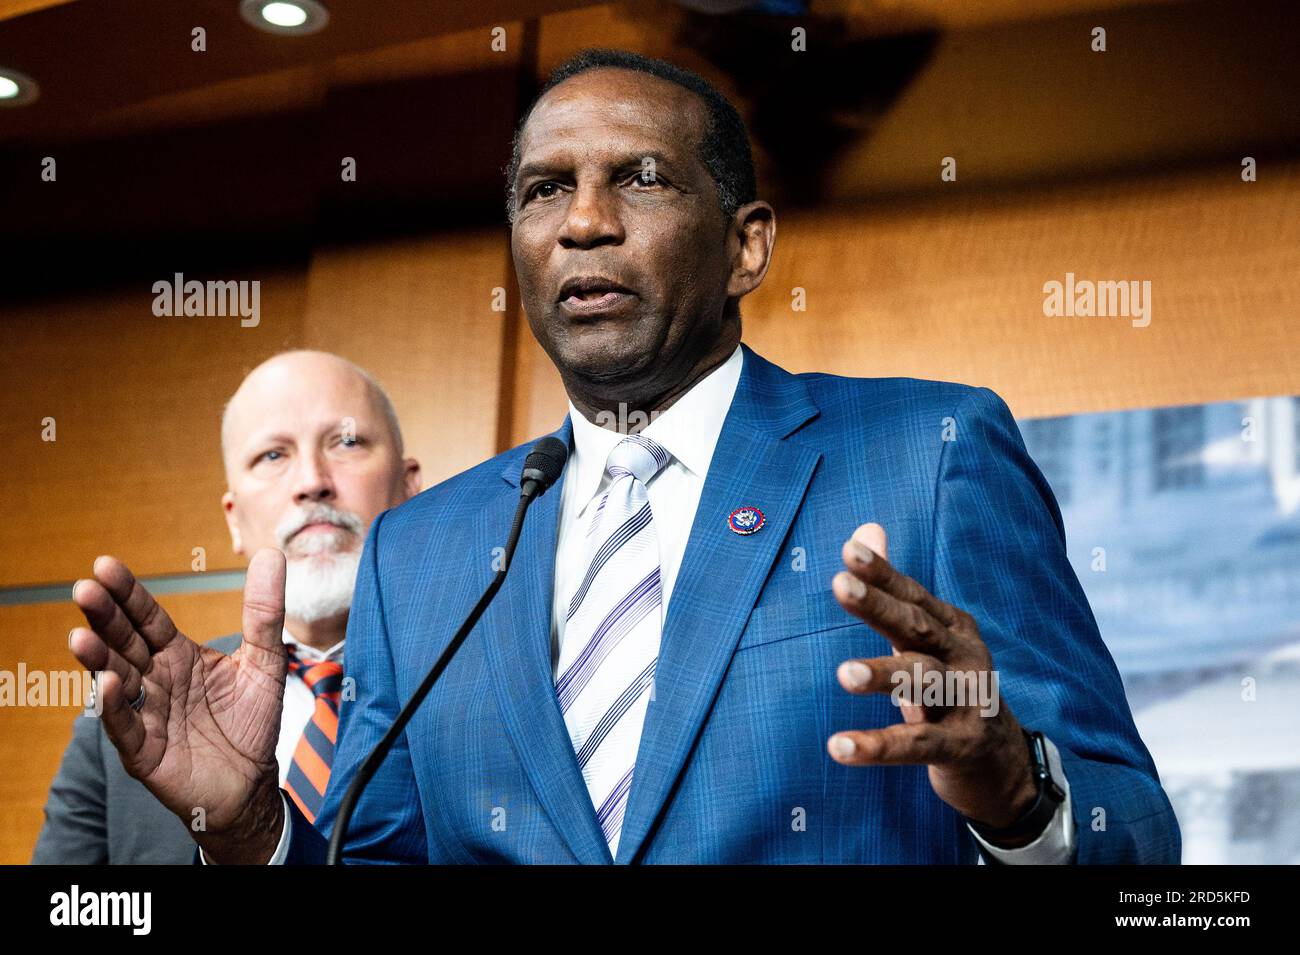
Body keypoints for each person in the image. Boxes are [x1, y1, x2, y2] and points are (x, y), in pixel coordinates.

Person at [67, 49, 1180, 865]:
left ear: (746, 245)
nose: (582, 222)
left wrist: (1019, 795)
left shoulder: (928, 452)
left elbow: (1143, 846)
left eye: (639, 179)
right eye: (545, 189)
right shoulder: (424, 551)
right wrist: (256, 828)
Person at [35, 350, 420, 863]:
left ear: (410, 486)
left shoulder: (493, 696)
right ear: (234, 520)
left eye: (347, 441)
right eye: (273, 456)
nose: (312, 481)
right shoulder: (132, 716)